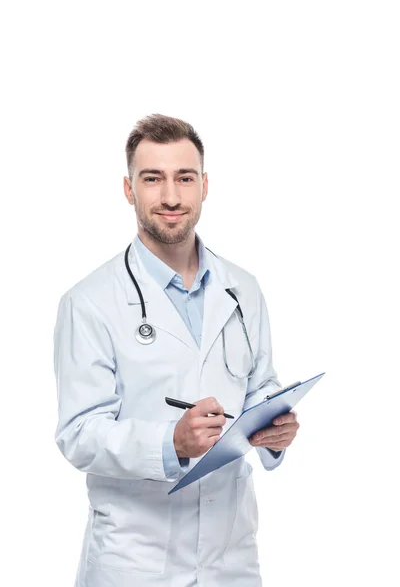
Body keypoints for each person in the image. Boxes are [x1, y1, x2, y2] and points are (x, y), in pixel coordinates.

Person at [53, 113, 300, 587]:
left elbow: (260, 383)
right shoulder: (88, 302)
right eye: (152, 179)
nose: (170, 196)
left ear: (204, 186)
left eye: (184, 178)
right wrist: (170, 443)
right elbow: (78, 433)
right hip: (135, 561)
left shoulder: (243, 289)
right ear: (129, 190)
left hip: (231, 558)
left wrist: (274, 427)